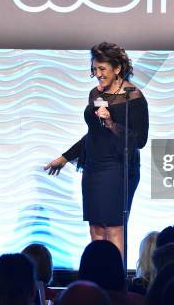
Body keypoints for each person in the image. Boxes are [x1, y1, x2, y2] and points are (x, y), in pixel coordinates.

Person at [44, 42, 149, 256]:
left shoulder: (133, 97)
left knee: (113, 228)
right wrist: (65, 158)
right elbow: (93, 133)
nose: (98, 74)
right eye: (95, 69)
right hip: (94, 168)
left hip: (118, 168)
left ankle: (115, 285)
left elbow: (139, 140)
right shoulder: (95, 94)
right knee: (95, 228)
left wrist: (111, 123)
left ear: (117, 68)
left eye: (102, 69)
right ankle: (98, 281)